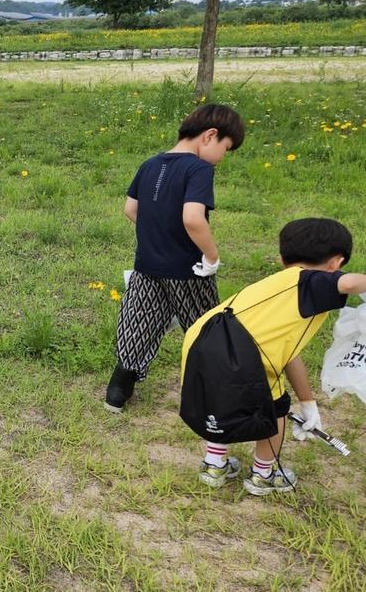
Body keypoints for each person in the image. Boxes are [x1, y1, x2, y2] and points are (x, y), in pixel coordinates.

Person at [183, 218, 366, 495]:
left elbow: (289, 354)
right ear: (336, 263)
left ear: (282, 259)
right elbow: (350, 283)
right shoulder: (311, 282)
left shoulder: (275, 285)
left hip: (203, 341)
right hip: (243, 355)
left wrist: (308, 403)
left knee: (220, 399)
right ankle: (263, 474)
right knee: (275, 409)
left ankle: (214, 465)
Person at [104, 104, 245, 413]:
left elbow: (130, 209)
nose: (223, 157)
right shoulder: (199, 169)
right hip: (188, 268)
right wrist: (212, 257)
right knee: (205, 326)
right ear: (210, 135)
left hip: (146, 265)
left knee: (138, 321)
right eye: (226, 148)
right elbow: (193, 218)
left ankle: (118, 390)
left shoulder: (150, 164)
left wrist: (158, 232)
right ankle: (217, 392)